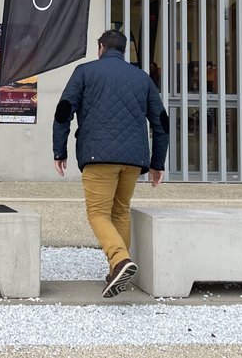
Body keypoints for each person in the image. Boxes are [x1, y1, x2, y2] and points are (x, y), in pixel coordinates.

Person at [52, 29, 168, 298]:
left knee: (97, 213)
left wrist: (60, 151)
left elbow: (64, 111)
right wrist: (157, 163)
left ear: (101, 47)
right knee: (120, 212)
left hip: (97, 156)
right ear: (124, 50)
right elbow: (161, 122)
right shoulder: (142, 78)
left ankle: (119, 260)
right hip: (133, 159)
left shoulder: (85, 72)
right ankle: (117, 271)